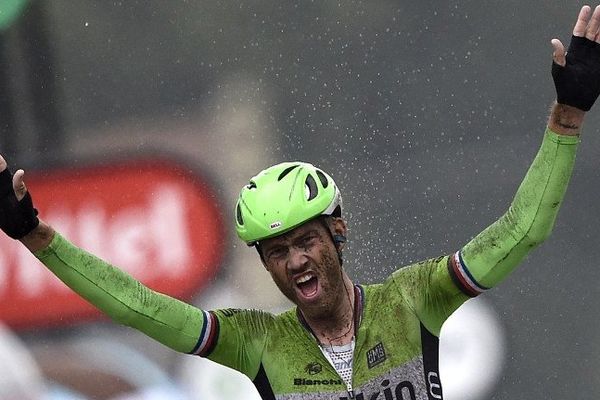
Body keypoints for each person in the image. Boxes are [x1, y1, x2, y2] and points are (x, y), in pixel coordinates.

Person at [2, 5, 600, 400]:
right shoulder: (257, 342)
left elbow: (523, 230)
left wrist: (567, 116)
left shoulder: (414, 299)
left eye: (306, 240)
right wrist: (34, 235)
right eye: (277, 251)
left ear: (338, 231)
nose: (294, 261)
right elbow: (136, 306)